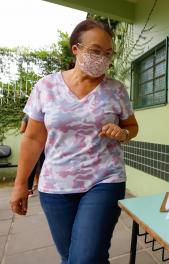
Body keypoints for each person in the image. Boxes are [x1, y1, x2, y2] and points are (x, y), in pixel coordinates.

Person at [10, 19, 139, 264]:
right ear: (76, 49)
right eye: (95, 51)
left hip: (104, 179)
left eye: (108, 53)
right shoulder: (46, 86)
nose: (102, 58)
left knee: (86, 258)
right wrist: (20, 184)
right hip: (56, 185)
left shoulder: (116, 89)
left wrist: (123, 134)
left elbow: (131, 126)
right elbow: (34, 138)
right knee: (70, 257)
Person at [20, 114, 44, 195]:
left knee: (32, 166)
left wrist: (31, 132)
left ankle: (29, 189)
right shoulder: (45, 112)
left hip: (33, 145)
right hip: (45, 144)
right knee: (44, 165)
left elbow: (22, 129)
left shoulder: (27, 116)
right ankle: (42, 185)